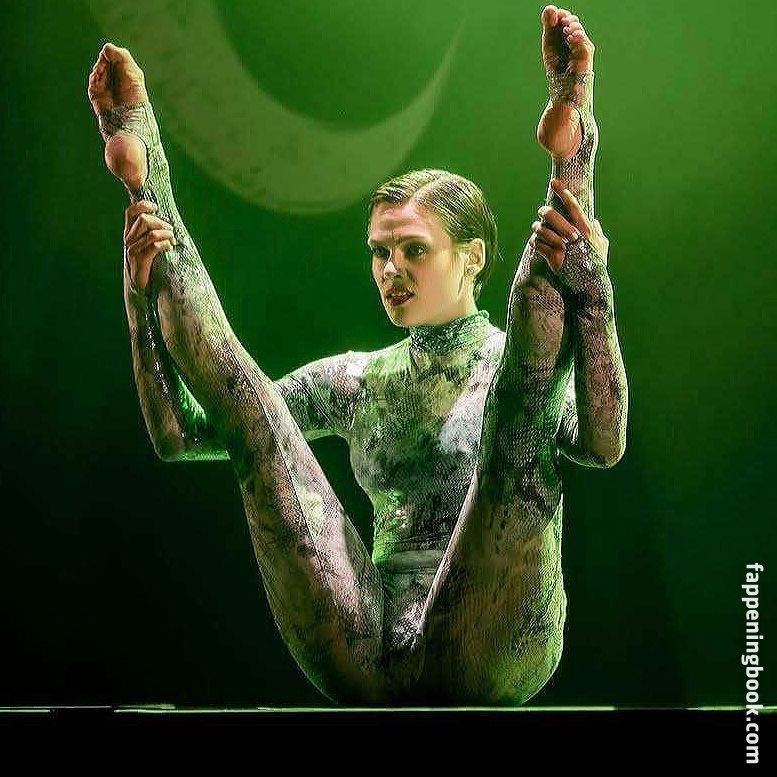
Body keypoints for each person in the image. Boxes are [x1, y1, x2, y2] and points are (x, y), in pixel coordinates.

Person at [87, 6, 627, 705]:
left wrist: (593, 298)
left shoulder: (510, 366)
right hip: (367, 647)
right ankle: (148, 186)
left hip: (492, 643)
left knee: (522, 388)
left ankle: (573, 142)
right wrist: (140, 299)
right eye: (379, 251)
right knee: (254, 415)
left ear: (471, 259)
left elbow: (603, 444)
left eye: (413, 250)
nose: (390, 270)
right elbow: (181, 434)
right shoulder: (356, 380)